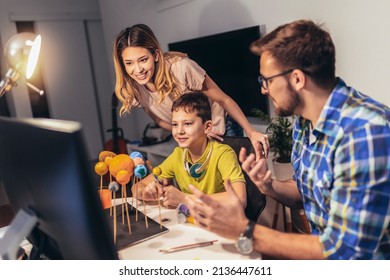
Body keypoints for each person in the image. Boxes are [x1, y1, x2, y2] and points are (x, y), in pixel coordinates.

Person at [185, 19, 390, 259]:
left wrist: (243, 229)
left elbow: (344, 251)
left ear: (296, 79)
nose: (263, 89)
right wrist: (268, 186)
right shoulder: (304, 121)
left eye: (267, 80)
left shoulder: (365, 133)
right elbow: (305, 194)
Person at [113, 23, 269, 160]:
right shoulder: (133, 88)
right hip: (194, 136)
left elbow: (224, 100)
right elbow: (159, 119)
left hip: (219, 126)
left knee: (235, 184)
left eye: (143, 60)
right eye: (129, 63)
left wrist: (251, 132)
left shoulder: (181, 67)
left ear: (155, 55)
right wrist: (185, 133)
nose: (138, 69)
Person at [132, 91, 247, 208]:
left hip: (220, 222)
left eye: (187, 124)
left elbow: (240, 199)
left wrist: (185, 199)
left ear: (207, 127)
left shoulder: (223, 154)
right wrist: (146, 192)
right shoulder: (178, 155)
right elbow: (136, 188)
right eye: (175, 124)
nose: (179, 131)